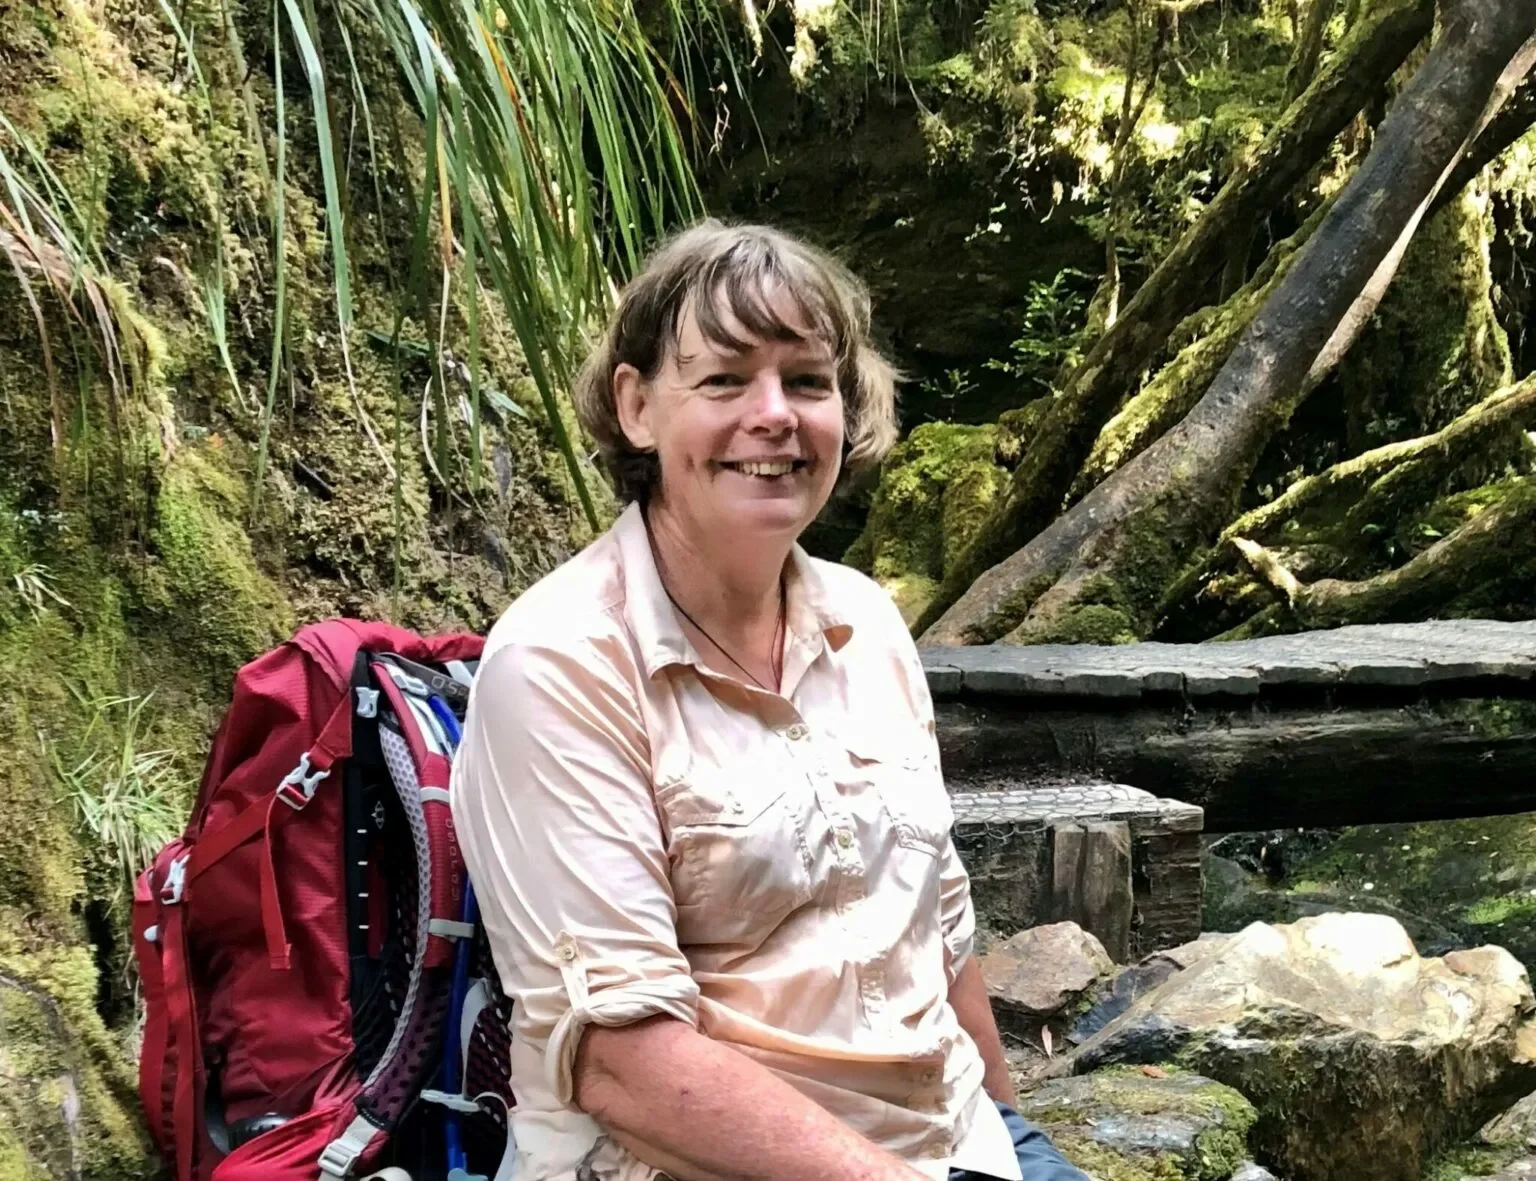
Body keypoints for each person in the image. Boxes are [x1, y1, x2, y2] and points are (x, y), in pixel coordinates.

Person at [451, 219, 1089, 1181]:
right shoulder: (559, 663)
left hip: (956, 1144)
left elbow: (939, 929)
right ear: (636, 407)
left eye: (806, 380)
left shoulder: (867, 623)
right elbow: (622, 1065)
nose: (775, 415)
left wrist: (1012, 1131)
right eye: (723, 379)